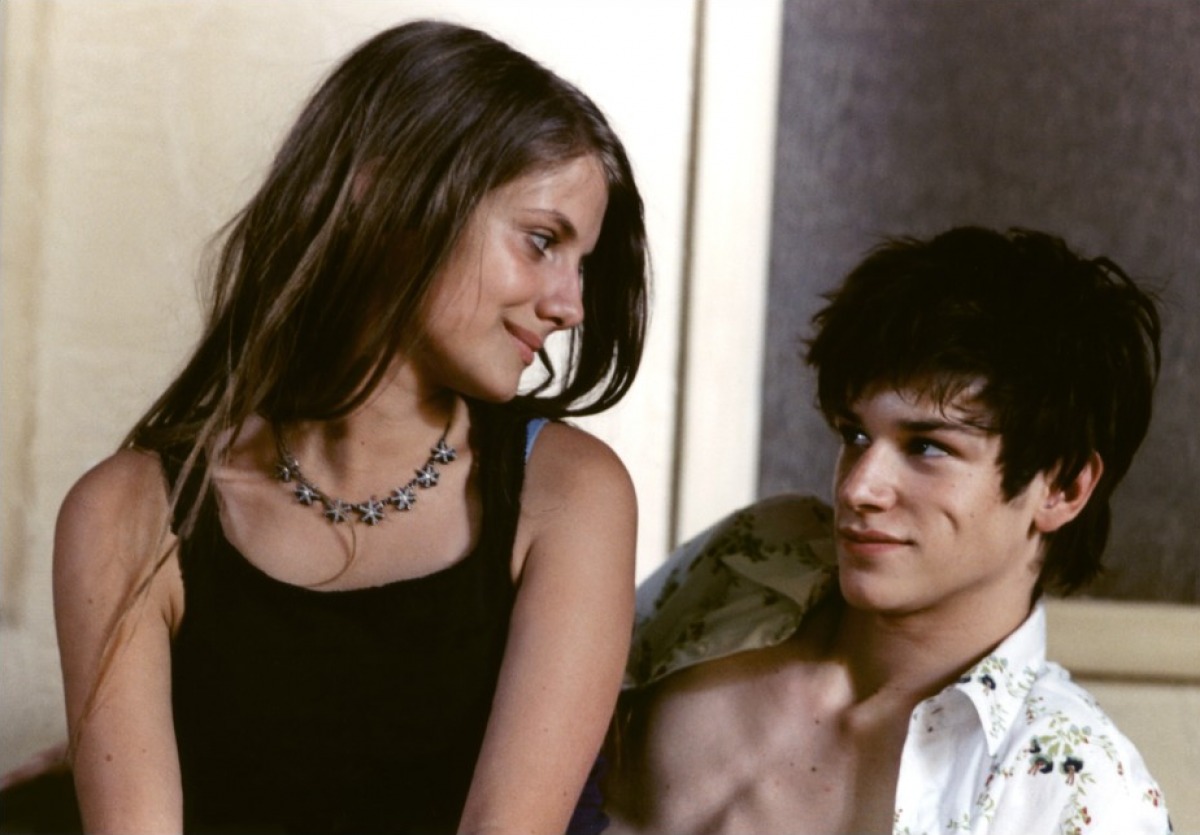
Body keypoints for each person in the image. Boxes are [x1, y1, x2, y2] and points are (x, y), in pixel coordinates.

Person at [52, 20, 648, 834]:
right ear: (389, 189)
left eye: (581, 265)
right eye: (541, 241)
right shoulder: (125, 513)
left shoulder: (571, 494)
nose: (570, 304)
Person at [605, 227, 1171, 834]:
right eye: (855, 435)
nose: (857, 488)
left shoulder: (1079, 792)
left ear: (1062, 488)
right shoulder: (761, 555)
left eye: (926, 447)